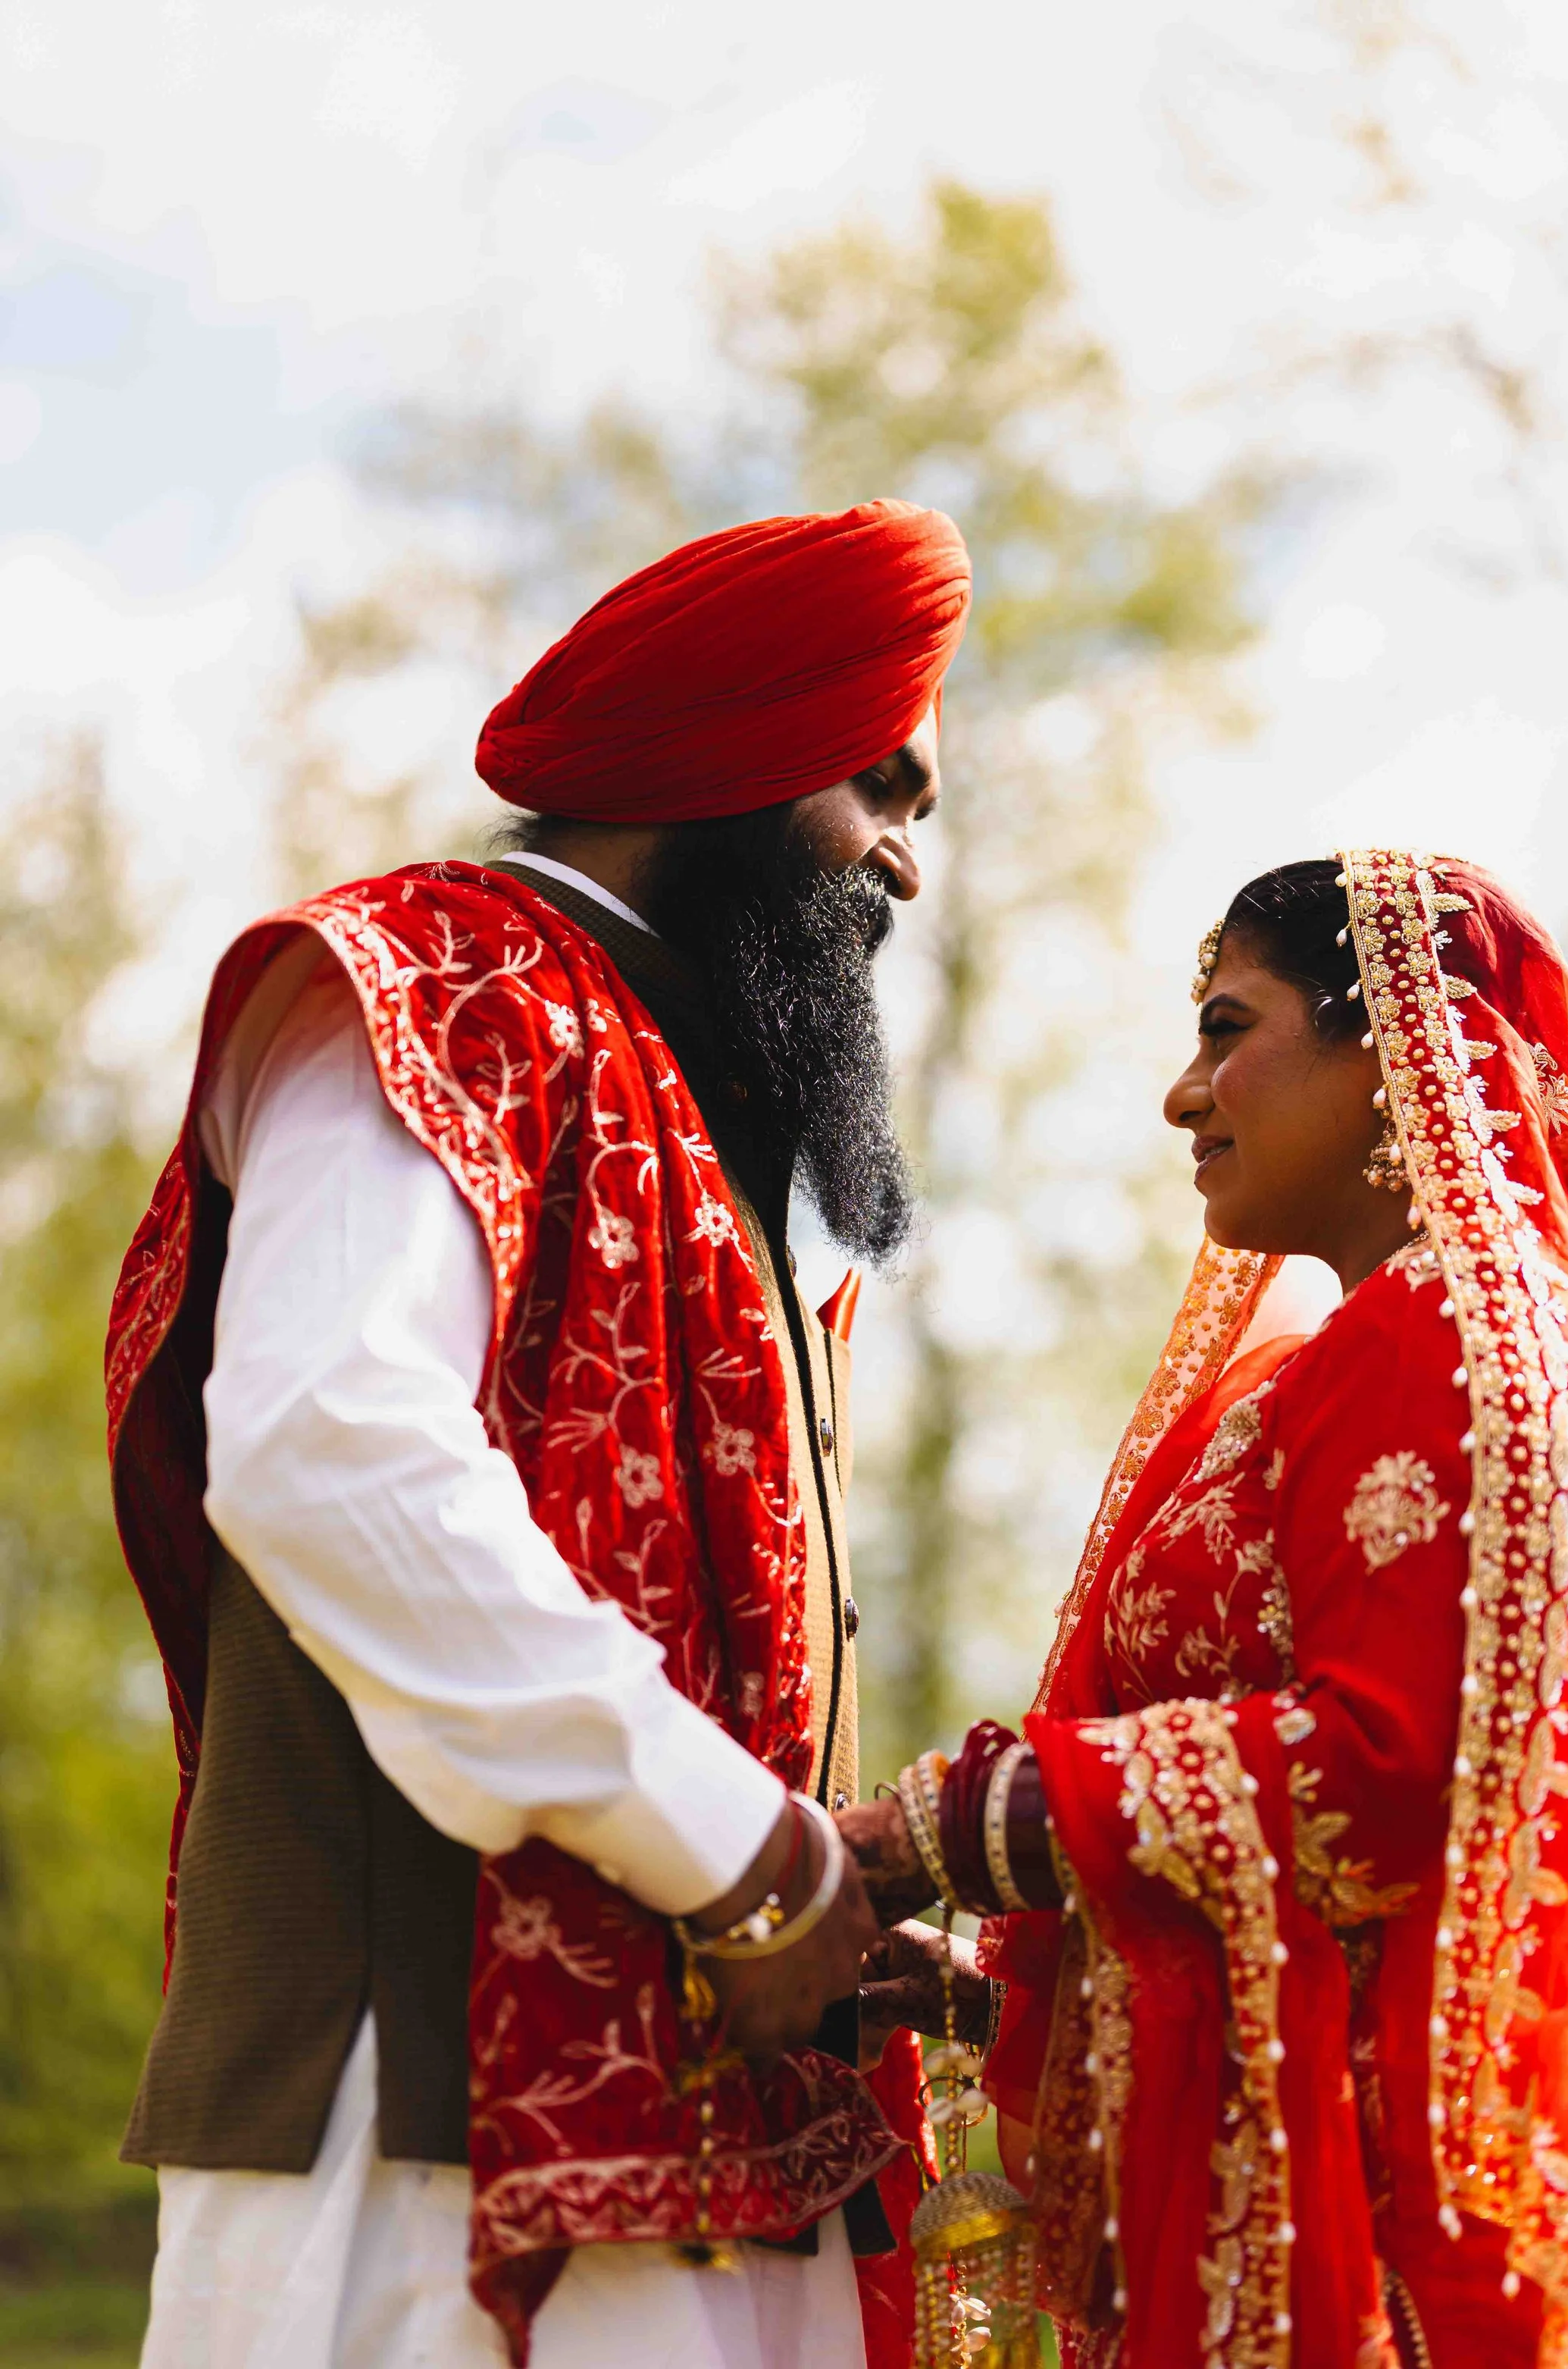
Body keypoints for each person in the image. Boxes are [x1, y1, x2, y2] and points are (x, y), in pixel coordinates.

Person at [105, 500, 972, 2369]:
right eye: (883, 789)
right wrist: (740, 1850)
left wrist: (808, 1882)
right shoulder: (441, 987)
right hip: (409, 2129)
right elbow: (331, 1450)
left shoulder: (701, 1114)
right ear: (735, 761)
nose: (906, 864)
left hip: (728, 2129)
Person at [843, 851, 1568, 2367]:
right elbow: (1351, 1880)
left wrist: (937, 1830)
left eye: (1228, 1024)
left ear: (1394, 1050)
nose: (1182, 1089)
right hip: (1311, 2223)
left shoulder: (1456, 1336)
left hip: (1382, 2267)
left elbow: (1385, 1767)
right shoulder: (1354, 1362)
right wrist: (977, 1991)